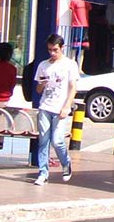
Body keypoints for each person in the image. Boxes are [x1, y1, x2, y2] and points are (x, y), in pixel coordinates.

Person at [32, 33, 79, 186]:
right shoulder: (43, 65)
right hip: (45, 106)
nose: (52, 53)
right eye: (50, 50)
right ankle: (43, 173)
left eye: (55, 50)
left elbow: (73, 88)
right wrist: (42, 83)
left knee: (57, 140)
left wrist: (67, 106)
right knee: (43, 140)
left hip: (60, 108)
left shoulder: (70, 64)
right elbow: (38, 89)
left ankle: (65, 163)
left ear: (62, 48)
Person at [69, 0, 91, 66]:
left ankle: (80, 67)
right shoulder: (74, 0)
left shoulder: (86, 1)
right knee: (74, 47)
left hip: (85, 26)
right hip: (76, 25)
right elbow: (71, 8)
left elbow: (89, 7)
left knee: (83, 48)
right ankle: (72, 66)